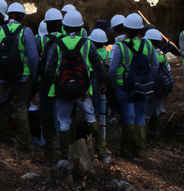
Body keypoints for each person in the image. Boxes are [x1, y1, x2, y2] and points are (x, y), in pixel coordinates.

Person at [44, 11, 108, 162]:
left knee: (64, 121)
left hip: (62, 90)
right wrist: (101, 84)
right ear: (80, 28)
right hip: (82, 89)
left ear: (64, 27)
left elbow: (48, 69)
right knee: (91, 116)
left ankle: (65, 157)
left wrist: (58, 82)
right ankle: (102, 152)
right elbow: (98, 67)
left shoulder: (57, 44)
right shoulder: (87, 43)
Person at [108, 13, 158, 159]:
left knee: (129, 116)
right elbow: (154, 65)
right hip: (143, 85)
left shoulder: (120, 46)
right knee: (140, 116)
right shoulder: (148, 44)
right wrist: (147, 78)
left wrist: (113, 82)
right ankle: (139, 148)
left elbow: (112, 69)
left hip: (124, 86)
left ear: (126, 28)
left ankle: (127, 150)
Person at [0, 2, 39, 151]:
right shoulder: (26, 31)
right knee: (21, 107)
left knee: (2, 104)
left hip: (4, 76)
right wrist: (33, 74)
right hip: (23, 77)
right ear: (22, 17)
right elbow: (32, 57)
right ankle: (24, 142)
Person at [37, 8, 63, 155]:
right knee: (61, 110)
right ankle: (62, 141)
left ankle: (50, 142)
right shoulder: (66, 39)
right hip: (60, 80)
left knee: (46, 110)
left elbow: (35, 59)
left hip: (44, 80)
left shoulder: (41, 40)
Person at [144, 29, 172, 141]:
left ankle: (143, 137)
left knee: (145, 113)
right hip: (161, 87)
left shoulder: (145, 54)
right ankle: (153, 135)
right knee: (157, 111)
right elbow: (168, 71)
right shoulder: (162, 56)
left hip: (149, 87)